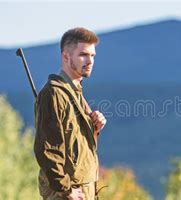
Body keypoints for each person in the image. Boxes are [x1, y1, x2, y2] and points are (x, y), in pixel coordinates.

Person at [34, 27, 106, 200]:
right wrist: (65, 189)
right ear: (66, 56)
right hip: (68, 195)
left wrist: (95, 128)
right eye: (83, 54)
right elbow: (47, 150)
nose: (90, 61)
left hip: (84, 191)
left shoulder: (76, 93)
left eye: (93, 56)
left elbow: (76, 148)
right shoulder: (54, 94)